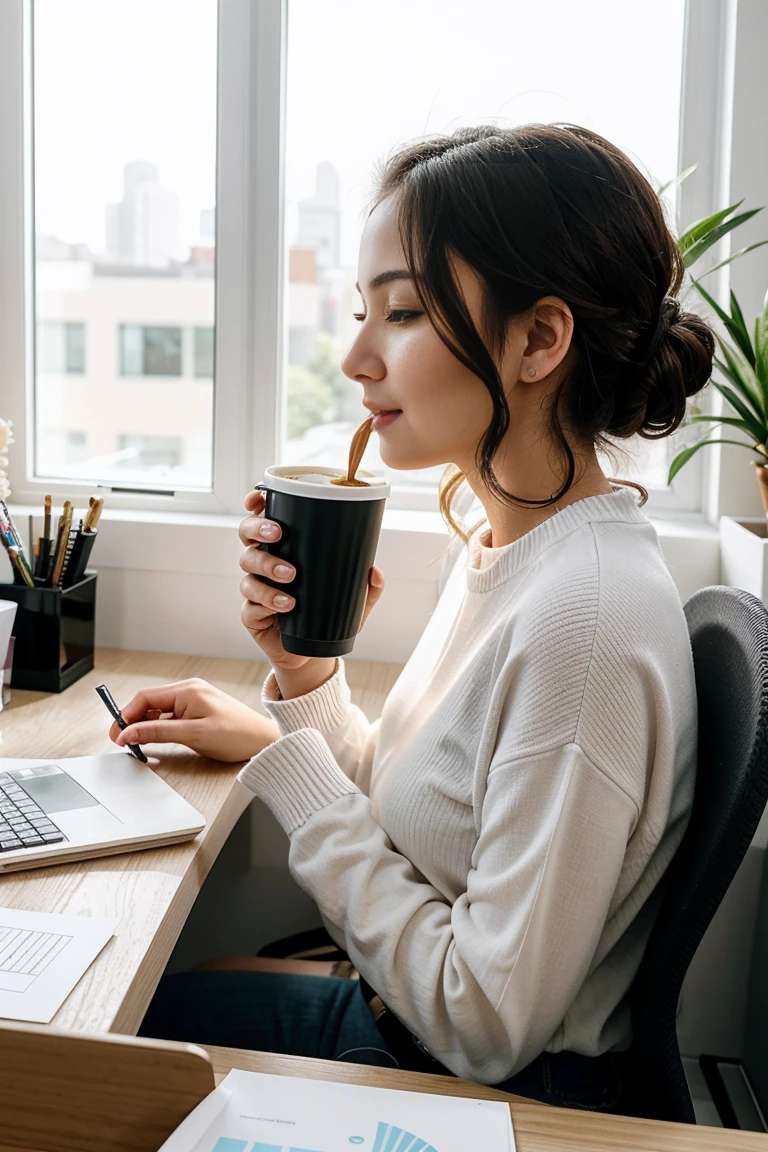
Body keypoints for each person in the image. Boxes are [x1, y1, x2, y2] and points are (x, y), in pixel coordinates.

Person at [113, 123, 715, 1112]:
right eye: (362, 312)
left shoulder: (584, 623)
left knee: (80, 1046)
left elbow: (485, 1022)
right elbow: (431, 824)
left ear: (538, 339)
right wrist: (302, 690)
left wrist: (299, 785)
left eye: (400, 313)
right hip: (412, 1029)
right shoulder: (510, 548)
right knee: (132, 1016)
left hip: (495, 1092)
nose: (355, 358)